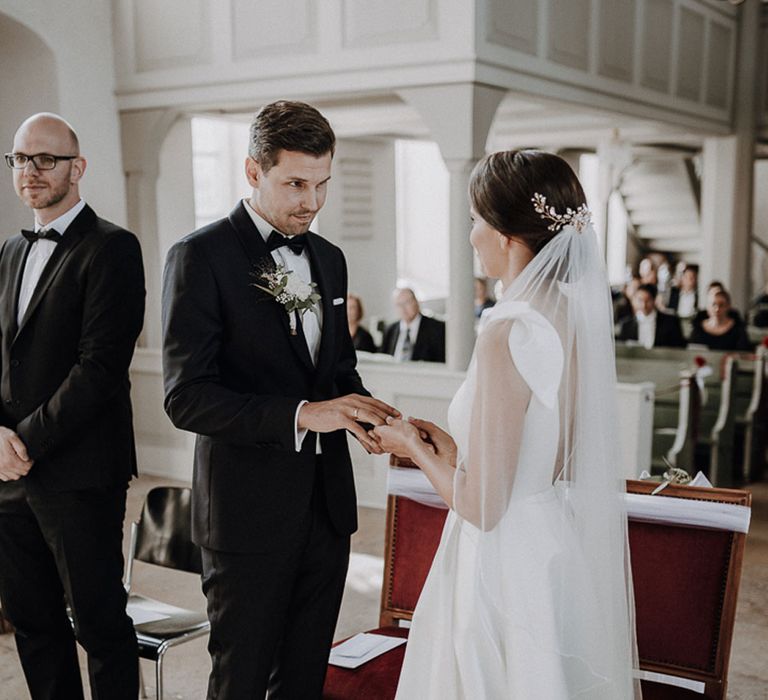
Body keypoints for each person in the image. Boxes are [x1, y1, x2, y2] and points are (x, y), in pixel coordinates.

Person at [374, 150, 640, 698]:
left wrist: (412, 447)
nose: (471, 237)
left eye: (476, 221)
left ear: (507, 235)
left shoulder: (505, 332)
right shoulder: (568, 315)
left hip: (497, 564)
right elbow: (556, 457)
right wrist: (453, 450)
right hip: (547, 549)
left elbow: (483, 508)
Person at [161, 100, 398, 699]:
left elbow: (338, 373)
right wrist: (301, 416)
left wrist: (377, 419)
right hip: (246, 520)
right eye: (295, 183)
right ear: (252, 172)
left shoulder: (330, 259)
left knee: (302, 683)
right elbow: (186, 397)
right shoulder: (201, 257)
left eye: (322, 184)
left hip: (327, 513)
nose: (312, 202)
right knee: (239, 684)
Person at [0, 113, 145, 699]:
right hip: (7, 475)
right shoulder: (9, 250)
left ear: (77, 168)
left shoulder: (113, 247)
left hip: (81, 473)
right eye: (19, 160)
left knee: (100, 626)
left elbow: (101, 367)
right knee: (33, 625)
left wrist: (24, 442)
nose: (30, 171)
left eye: (45, 159)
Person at [380, 287, 446, 362]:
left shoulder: (437, 328)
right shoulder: (390, 330)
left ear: (416, 302)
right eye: (399, 304)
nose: (403, 308)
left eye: (407, 302)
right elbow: (382, 359)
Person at [616, 283, 686, 348]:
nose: (644, 305)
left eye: (648, 300)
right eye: (640, 300)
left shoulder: (671, 322)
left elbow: (679, 348)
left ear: (654, 300)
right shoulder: (626, 325)